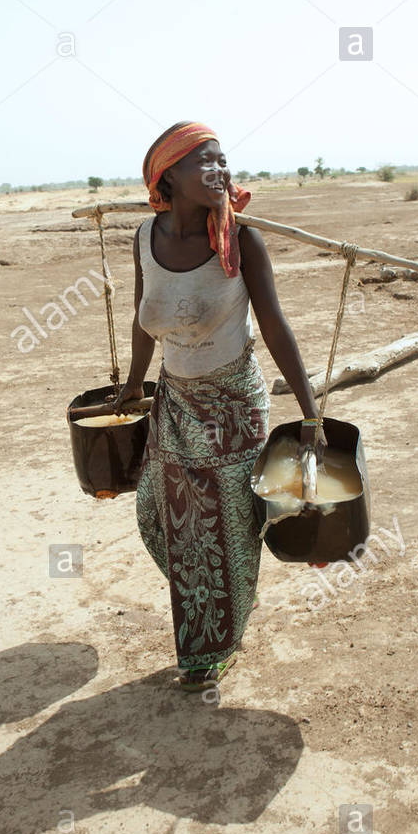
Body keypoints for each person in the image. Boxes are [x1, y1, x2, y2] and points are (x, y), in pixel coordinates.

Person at [113, 122, 327, 693]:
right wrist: (135, 386)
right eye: (204, 163)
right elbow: (142, 321)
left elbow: (277, 329)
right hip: (175, 401)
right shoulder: (144, 238)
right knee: (162, 520)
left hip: (234, 406)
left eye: (223, 161)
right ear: (170, 177)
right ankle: (217, 606)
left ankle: (211, 648)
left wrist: (311, 416)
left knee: (224, 528)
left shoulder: (242, 241)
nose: (220, 173)